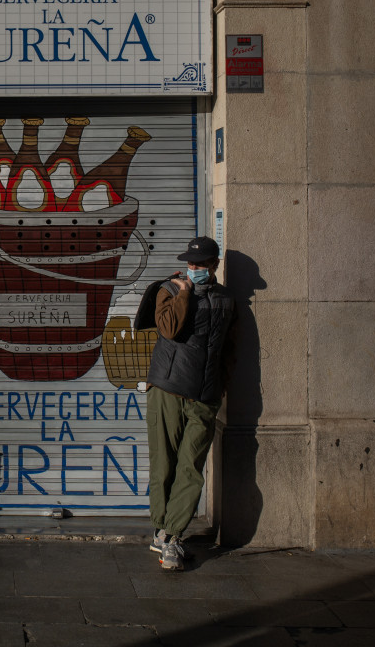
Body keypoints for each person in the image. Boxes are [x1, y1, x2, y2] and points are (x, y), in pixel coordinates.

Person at [141, 236, 235, 571]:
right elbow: (168, 328)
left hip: (204, 396)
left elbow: (228, 348)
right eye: (190, 264)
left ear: (214, 265)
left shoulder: (226, 299)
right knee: (164, 465)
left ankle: (172, 535)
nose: (194, 269)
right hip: (167, 389)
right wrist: (184, 293)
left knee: (191, 467)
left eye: (201, 264)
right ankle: (162, 531)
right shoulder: (168, 290)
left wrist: (220, 387)